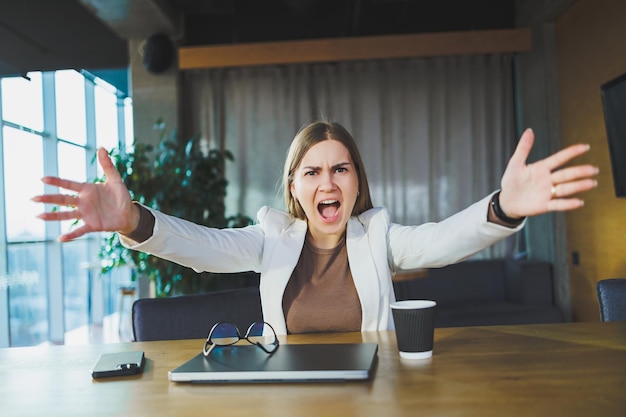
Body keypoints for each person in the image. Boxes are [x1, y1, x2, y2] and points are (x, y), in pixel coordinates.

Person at [32, 121, 599, 335]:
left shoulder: (379, 236)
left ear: (355, 183)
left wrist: (505, 206)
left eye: (340, 169)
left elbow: (447, 239)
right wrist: (132, 220)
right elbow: (202, 248)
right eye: (313, 171)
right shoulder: (269, 239)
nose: (328, 181)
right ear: (296, 188)